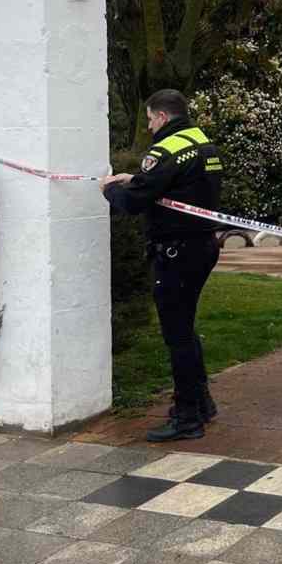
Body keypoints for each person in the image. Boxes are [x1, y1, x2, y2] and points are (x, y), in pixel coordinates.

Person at [100, 89, 224, 442]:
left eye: (152, 119)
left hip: (175, 252)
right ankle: (201, 403)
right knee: (186, 328)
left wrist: (110, 189)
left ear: (163, 117)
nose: (150, 126)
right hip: (203, 245)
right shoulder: (203, 143)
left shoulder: (164, 150)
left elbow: (134, 202)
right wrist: (135, 180)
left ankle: (187, 419)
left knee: (177, 335)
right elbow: (175, 187)